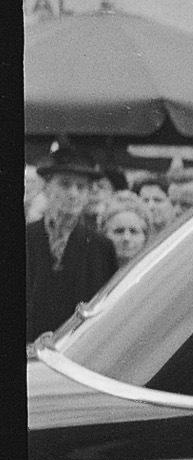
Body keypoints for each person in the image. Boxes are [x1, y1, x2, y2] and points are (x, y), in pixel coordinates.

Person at [26, 143, 118, 341]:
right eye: (65, 184)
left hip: (78, 350)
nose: (73, 193)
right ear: (47, 187)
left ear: (87, 195)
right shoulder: (25, 237)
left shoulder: (102, 247)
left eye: (81, 187)